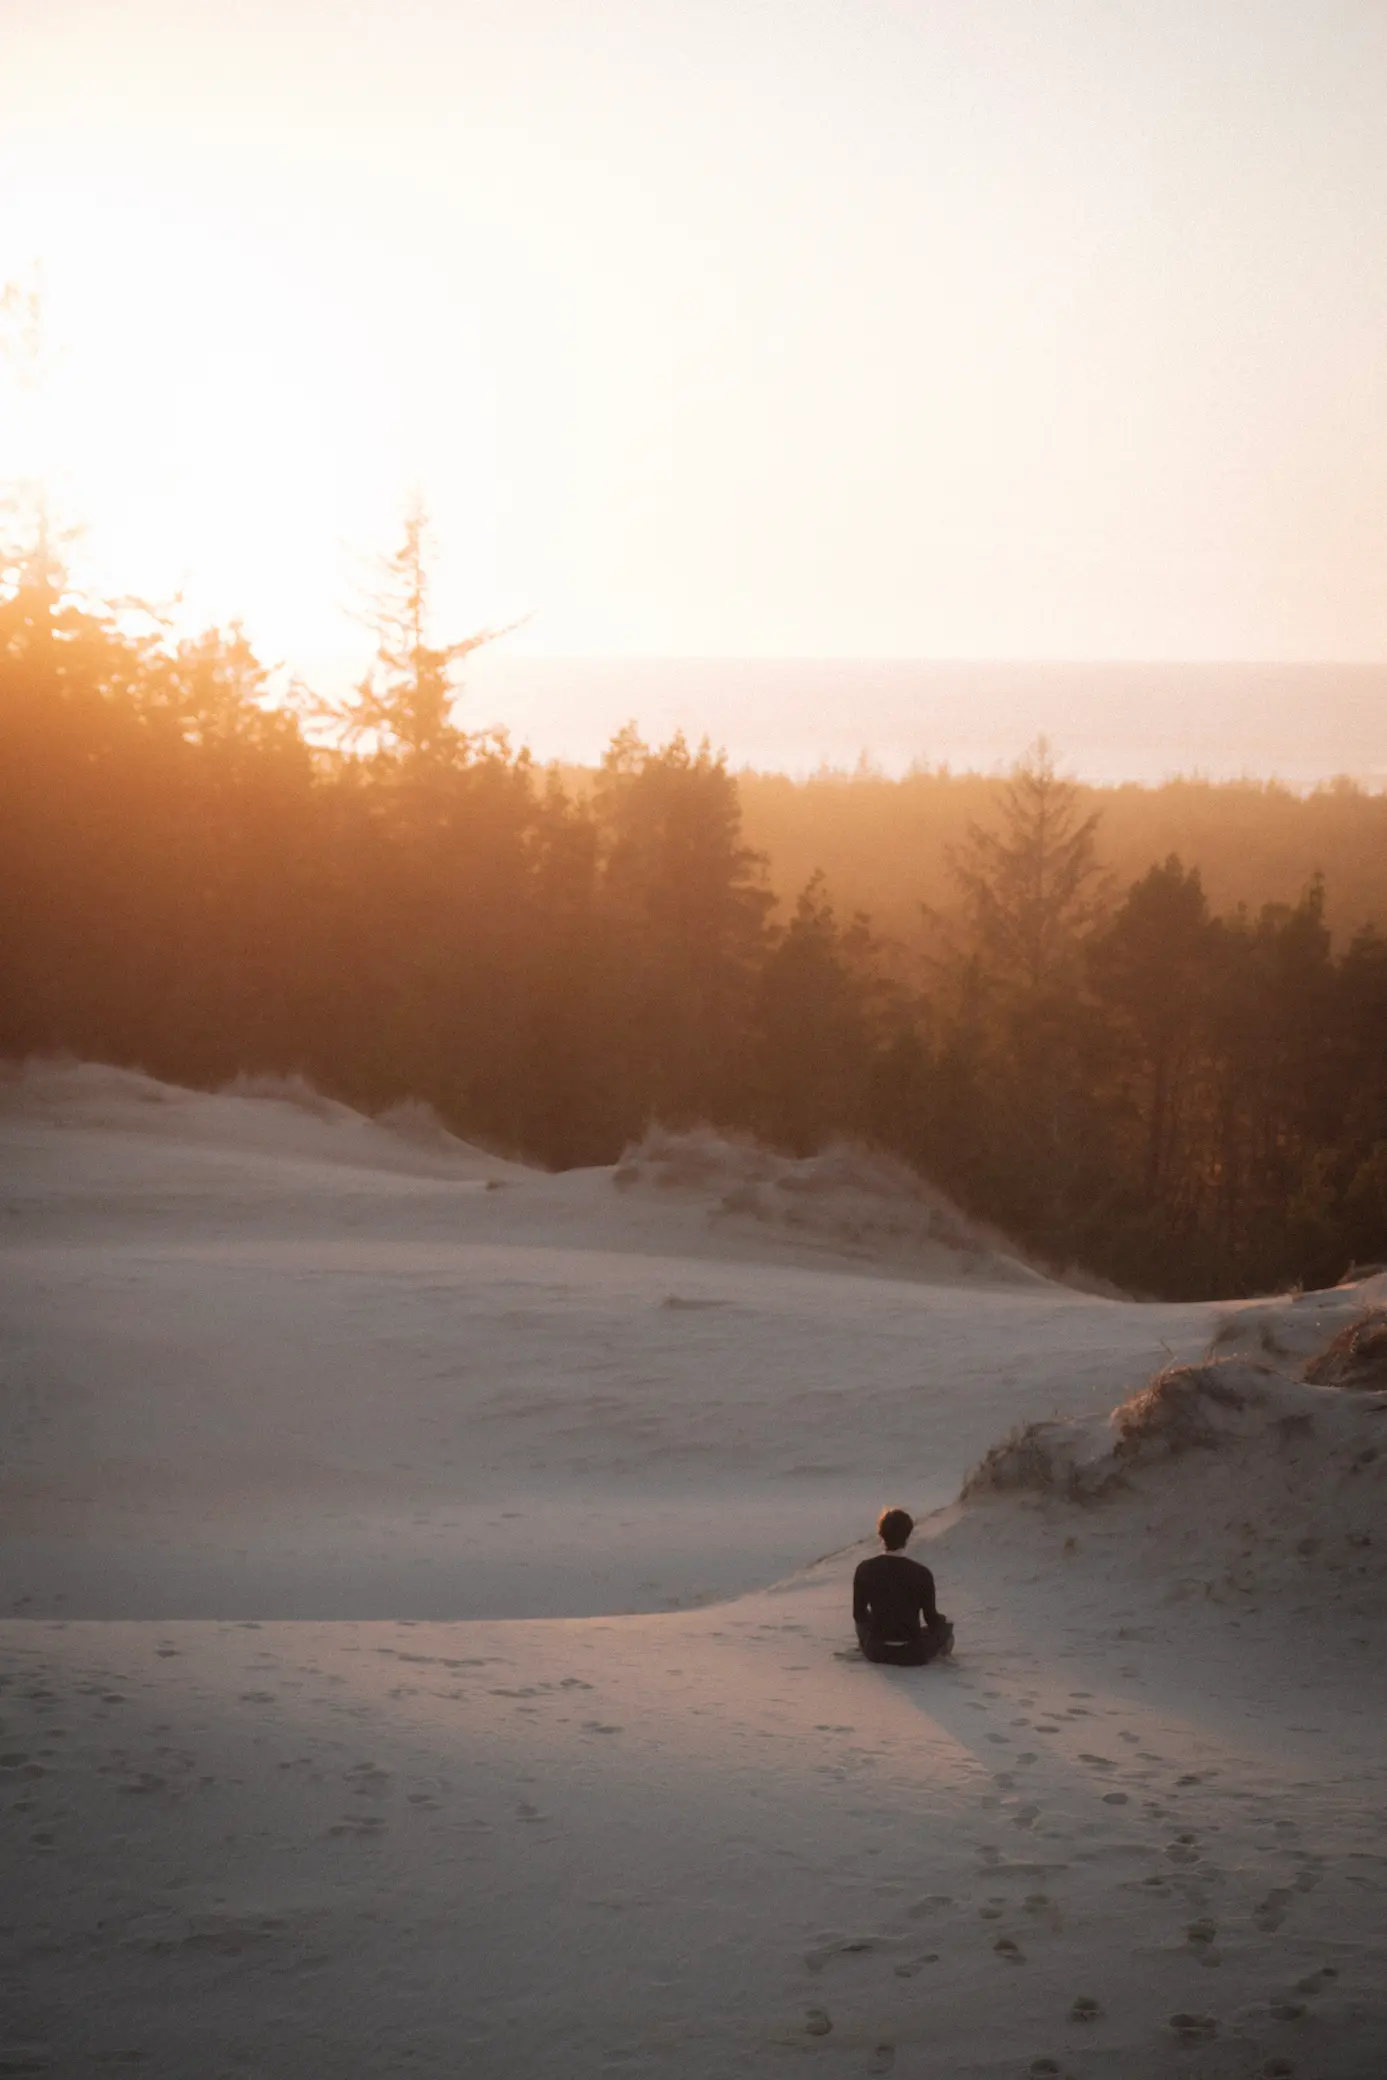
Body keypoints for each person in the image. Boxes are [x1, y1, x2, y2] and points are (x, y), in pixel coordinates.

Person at [852, 1507, 953, 1665]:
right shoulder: (921, 1573)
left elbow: (859, 1615)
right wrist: (942, 1622)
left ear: (881, 1534)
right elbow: (931, 1619)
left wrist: (877, 1620)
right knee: (945, 1629)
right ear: (907, 1536)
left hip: (876, 1651)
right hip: (913, 1652)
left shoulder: (864, 1569)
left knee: (862, 1625)